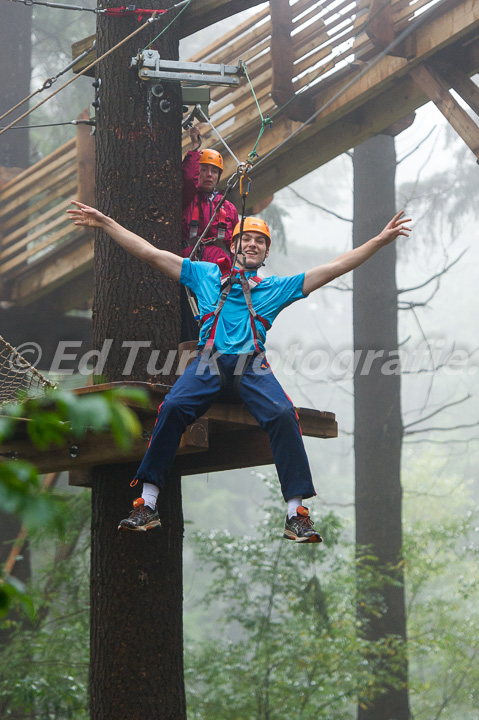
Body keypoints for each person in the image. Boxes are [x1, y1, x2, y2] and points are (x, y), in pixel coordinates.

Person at [67, 201, 411, 543]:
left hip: (250, 365)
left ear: (264, 254)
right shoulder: (205, 276)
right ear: (232, 247)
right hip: (209, 362)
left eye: (259, 242)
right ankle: (148, 503)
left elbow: (334, 267)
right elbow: (150, 253)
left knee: (282, 414)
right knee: (172, 407)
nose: (252, 244)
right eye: (245, 239)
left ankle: (296, 513)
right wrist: (106, 222)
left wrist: (378, 241)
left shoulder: (274, 289)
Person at [180, 127, 239, 341]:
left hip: (218, 269)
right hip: (190, 263)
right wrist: (195, 149)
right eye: (204, 169)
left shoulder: (227, 208)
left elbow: (235, 242)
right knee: (189, 315)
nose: (209, 174)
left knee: (220, 311)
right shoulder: (188, 198)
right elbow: (187, 179)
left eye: (214, 171)